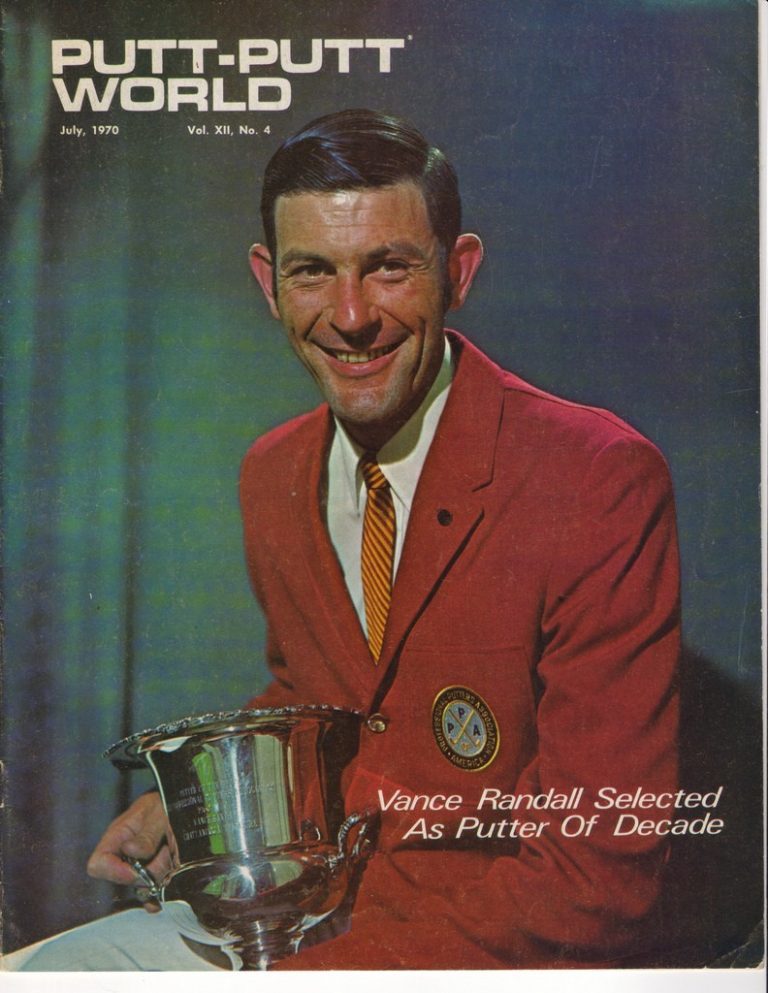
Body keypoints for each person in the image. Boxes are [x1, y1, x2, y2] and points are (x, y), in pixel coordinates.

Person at [9, 109, 681, 971]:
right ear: (269, 283)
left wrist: (313, 978)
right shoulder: (273, 471)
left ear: (458, 271)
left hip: (474, 959)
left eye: (389, 266)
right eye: (313, 272)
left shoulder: (597, 477)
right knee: (41, 971)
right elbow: (330, 696)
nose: (352, 315)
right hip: (313, 920)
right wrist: (202, 807)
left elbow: (599, 875)